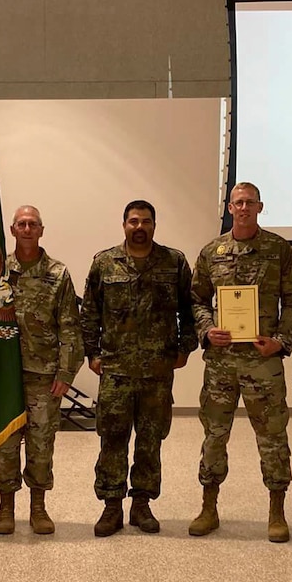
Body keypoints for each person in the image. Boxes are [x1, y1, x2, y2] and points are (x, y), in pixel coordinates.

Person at [188, 182, 292, 541]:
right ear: (229, 207)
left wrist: (281, 343)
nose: (243, 208)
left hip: (262, 363)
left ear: (260, 207)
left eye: (249, 203)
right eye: (237, 203)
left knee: (272, 437)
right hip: (221, 363)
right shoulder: (212, 251)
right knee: (214, 436)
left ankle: (277, 511)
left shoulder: (278, 250)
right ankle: (209, 507)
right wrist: (208, 330)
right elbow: (196, 300)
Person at [82, 200, 197, 536]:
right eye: (133, 221)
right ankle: (112, 505)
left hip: (157, 371)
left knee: (150, 440)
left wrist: (185, 348)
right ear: (124, 225)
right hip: (115, 370)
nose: (139, 227)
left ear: (154, 225)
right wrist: (92, 354)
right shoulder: (104, 262)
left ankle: (142, 504)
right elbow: (89, 312)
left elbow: (191, 310)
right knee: (112, 439)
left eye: (145, 221)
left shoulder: (173, 263)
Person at [0, 205, 83, 535]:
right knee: (5, 443)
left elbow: (71, 325)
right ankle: (5, 506)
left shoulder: (57, 273)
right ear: (12, 231)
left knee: (42, 443)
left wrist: (66, 373)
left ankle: (38, 506)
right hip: (6, 375)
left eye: (33, 224)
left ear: (42, 230)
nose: (27, 229)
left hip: (43, 376)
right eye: (21, 224)